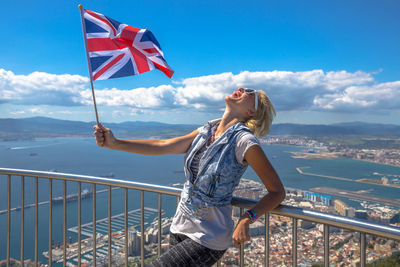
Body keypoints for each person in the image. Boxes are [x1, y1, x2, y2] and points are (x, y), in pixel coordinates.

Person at [93, 87, 286, 266]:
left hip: (209, 236)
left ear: (252, 112)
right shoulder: (207, 130)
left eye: (249, 92)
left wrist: (246, 219)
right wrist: (115, 143)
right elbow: (163, 145)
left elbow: (277, 192)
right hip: (180, 226)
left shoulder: (244, 141)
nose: (242, 89)